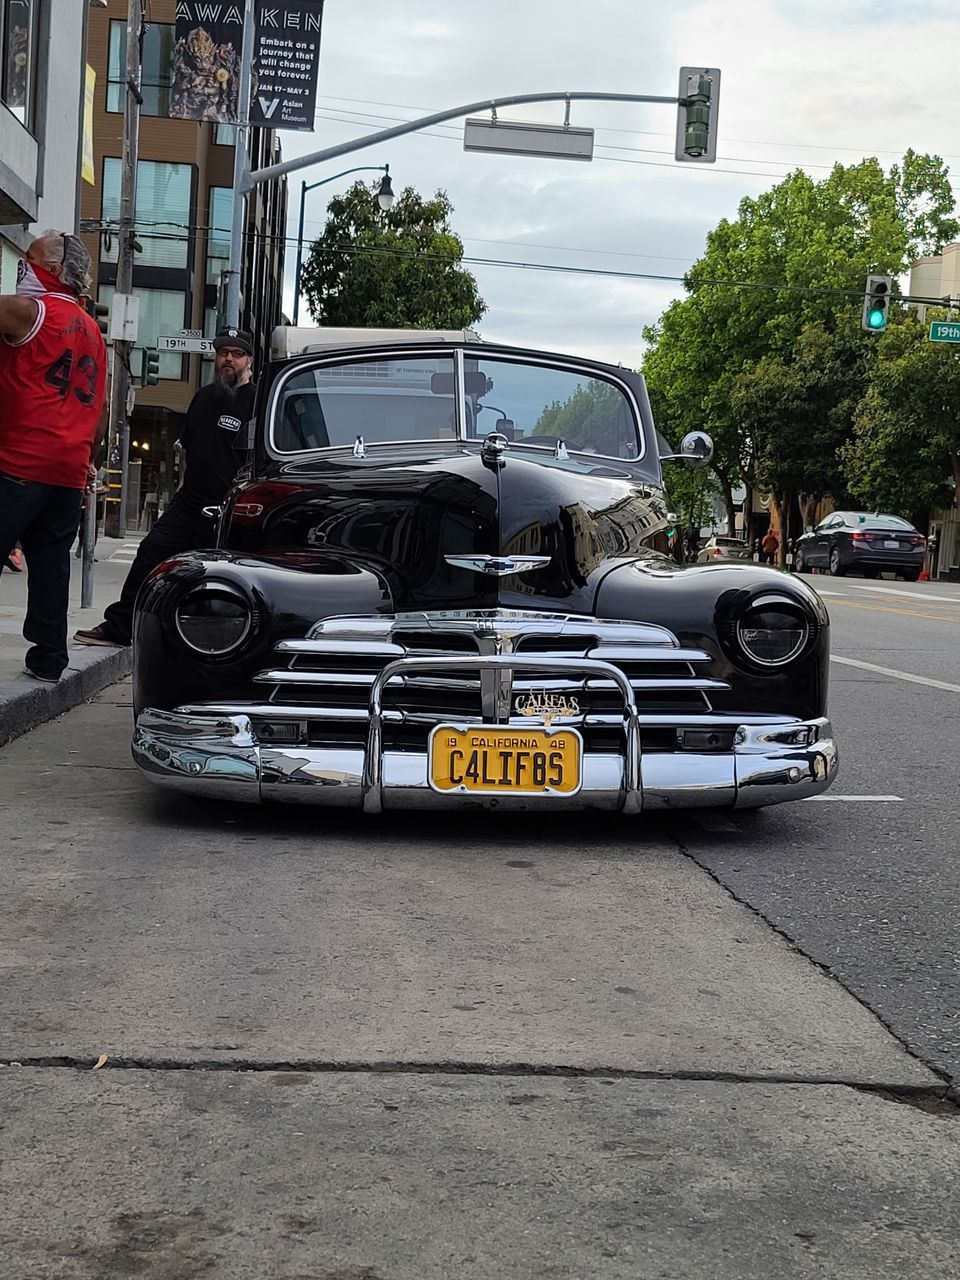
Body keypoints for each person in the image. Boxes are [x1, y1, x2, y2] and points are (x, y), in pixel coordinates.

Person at [74, 327, 256, 648]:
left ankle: (219, 645)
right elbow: (186, 451)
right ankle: (121, 627)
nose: (228, 359)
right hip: (188, 504)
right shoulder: (202, 397)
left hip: (227, 510)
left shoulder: (257, 403)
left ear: (248, 361)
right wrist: (180, 494)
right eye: (223, 352)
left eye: (237, 354)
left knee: (220, 582)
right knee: (149, 554)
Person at [0, 232, 107, 682]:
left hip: (19, 461)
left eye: (31, 259)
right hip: (67, 468)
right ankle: (48, 658)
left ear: (57, 271)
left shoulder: (31, 311)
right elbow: (98, 410)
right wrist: (86, 457)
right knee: (51, 563)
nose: (25, 267)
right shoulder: (96, 335)